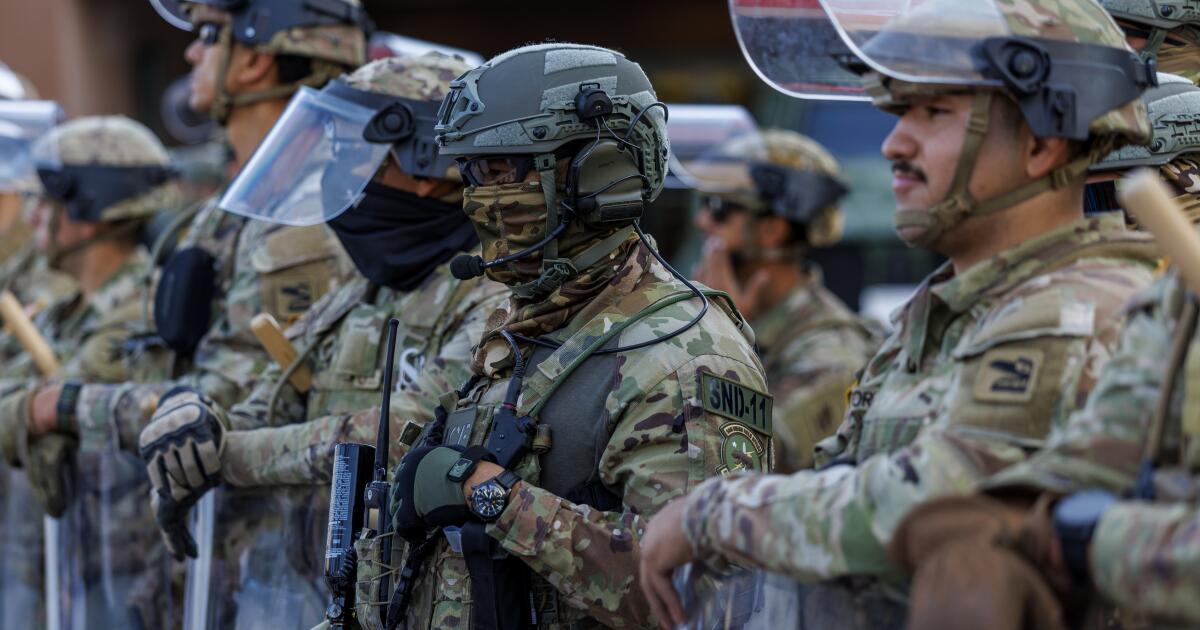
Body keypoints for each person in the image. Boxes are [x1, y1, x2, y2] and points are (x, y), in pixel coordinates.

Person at [638, 1, 1162, 627]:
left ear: (1042, 143)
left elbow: (934, 504)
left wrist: (711, 515)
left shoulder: (1079, 310)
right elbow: (840, 475)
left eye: (934, 112)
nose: (894, 143)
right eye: (900, 111)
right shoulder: (948, 310)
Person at [336, 42, 773, 630]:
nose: (477, 198)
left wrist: (491, 496)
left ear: (599, 173)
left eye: (499, 171)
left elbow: (704, 596)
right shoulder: (532, 323)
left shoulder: (685, 358)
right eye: (470, 173)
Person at [136, 52, 507, 628]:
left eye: (352, 153)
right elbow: (267, 403)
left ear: (427, 163)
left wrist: (226, 456)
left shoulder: (495, 293)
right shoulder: (360, 292)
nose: (336, 175)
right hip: (314, 598)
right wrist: (196, 423)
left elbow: (409, 428)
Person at [886, 73, 1200, 629]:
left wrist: (1085, 537)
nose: (1090, 226)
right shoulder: (1166, 313)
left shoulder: (1116, 310)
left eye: (1100, 199)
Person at [0, 115, 180, 628]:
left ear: (91, 212)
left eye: (47, 199)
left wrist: (29, 407)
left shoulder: (140, 310)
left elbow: (51, 405)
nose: (33, 214)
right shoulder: (61, 309)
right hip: (48, 566)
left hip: (116, 574)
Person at [689, 127, 880, 471]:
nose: (702, 221)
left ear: (771, 231)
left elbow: (741, 459)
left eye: (719, 208)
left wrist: (721, 337)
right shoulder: (752, 321)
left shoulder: (830, 353)